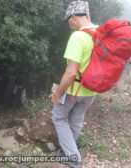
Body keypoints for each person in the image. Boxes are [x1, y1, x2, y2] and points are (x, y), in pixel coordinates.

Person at [49, 1, 98, 167]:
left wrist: (57, 94)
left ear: (74, 17)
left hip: (74, 90)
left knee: (59, 118)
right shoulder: (101, 32)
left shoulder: (78, 36)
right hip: (92, 90)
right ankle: (67, 151)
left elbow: (71, 73)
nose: (68, 24)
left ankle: (72, 158)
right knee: (76, 119)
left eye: (67, 20)